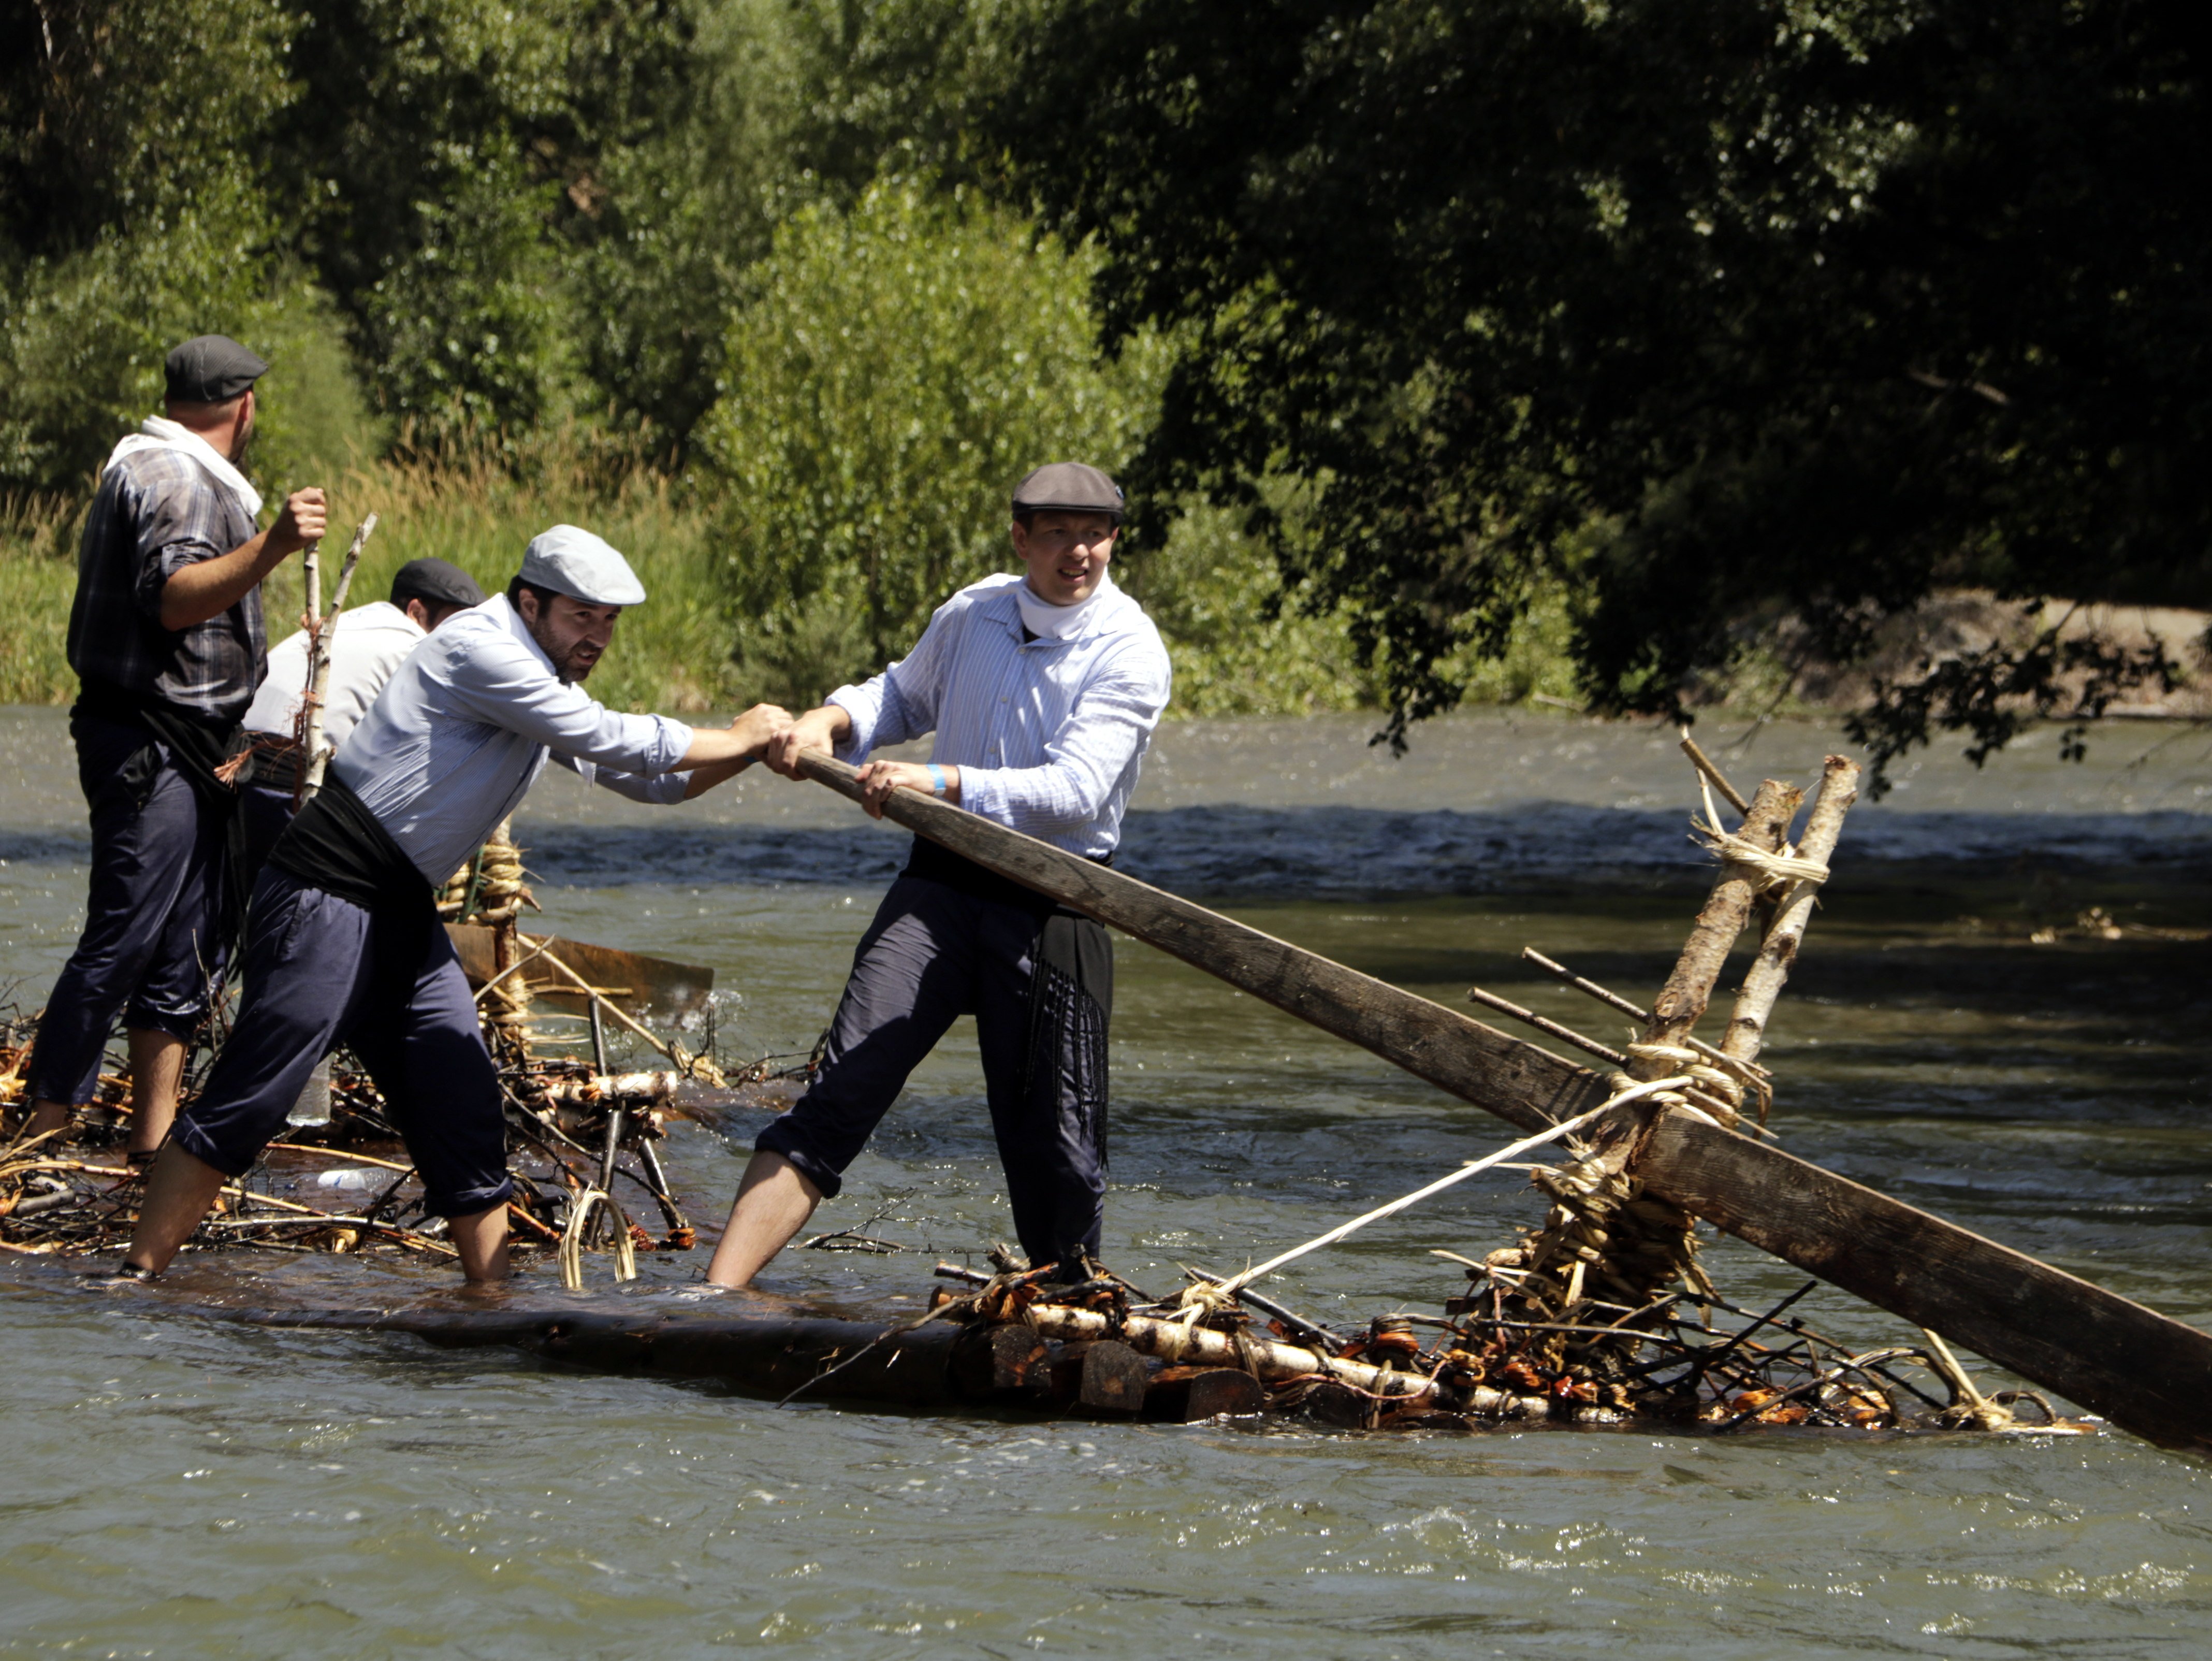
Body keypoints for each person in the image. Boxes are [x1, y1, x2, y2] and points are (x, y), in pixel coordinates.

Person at [113, 526, 792, 1283]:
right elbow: (615, 737)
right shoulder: (484, 649)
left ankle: (489, 1302)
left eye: (609, 621)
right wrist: (736, 730)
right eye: (581, 617)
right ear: (530, 601)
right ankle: (134, 1281)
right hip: (328, 889)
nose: (597, 636)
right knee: (254, 1092)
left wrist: (747, 754)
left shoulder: (539, 675)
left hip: (401, 910)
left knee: (461, 1103)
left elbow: (650, 779)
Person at [706, 463, 1172, 1289]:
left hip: (1053, 901)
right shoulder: (974, 611)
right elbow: (901, 693)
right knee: (839, 1091)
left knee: (1054, 1147)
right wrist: (832, 720)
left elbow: (1074, 792)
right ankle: (709, 1297)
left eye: (1096, 533)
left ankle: (1067, 1309)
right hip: (942, 886)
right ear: (1021, 537)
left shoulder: (1130, 649)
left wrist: (941, 781)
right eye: (1059, 533)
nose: (1080, 551)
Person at [22, 336, 326, 1163]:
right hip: (153, 743)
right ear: (245, 407)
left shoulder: (162, 467)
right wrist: (273, 547)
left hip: (194, 747)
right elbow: (172, 599)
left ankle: (150, 1145)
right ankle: (38, 1138)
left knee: (186, 946)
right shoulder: (178, 478)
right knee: (123, 935)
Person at [234, 556, 488, 872]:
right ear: (416, 612)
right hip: (289, 773)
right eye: (456, 625)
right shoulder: (416, 647)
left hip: (233, 759)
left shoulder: (346, 624)